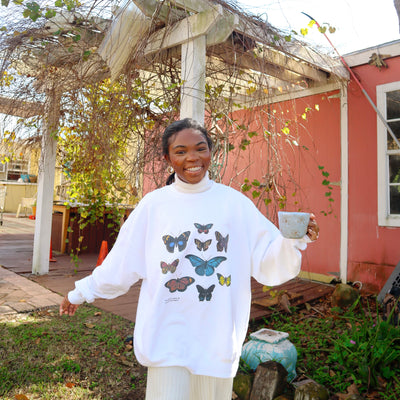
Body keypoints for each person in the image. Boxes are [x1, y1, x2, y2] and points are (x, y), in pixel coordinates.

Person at [60, 118, 320, 400]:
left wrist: (294, 238)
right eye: (181, 151)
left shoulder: (234, 204)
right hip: (167, 335)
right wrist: (80, 292)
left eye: (200, 148)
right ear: (167, 158)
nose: (192, 158)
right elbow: (121, 263)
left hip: (216, 337)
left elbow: (268, 258)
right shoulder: (154, 205)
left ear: (211, 152)